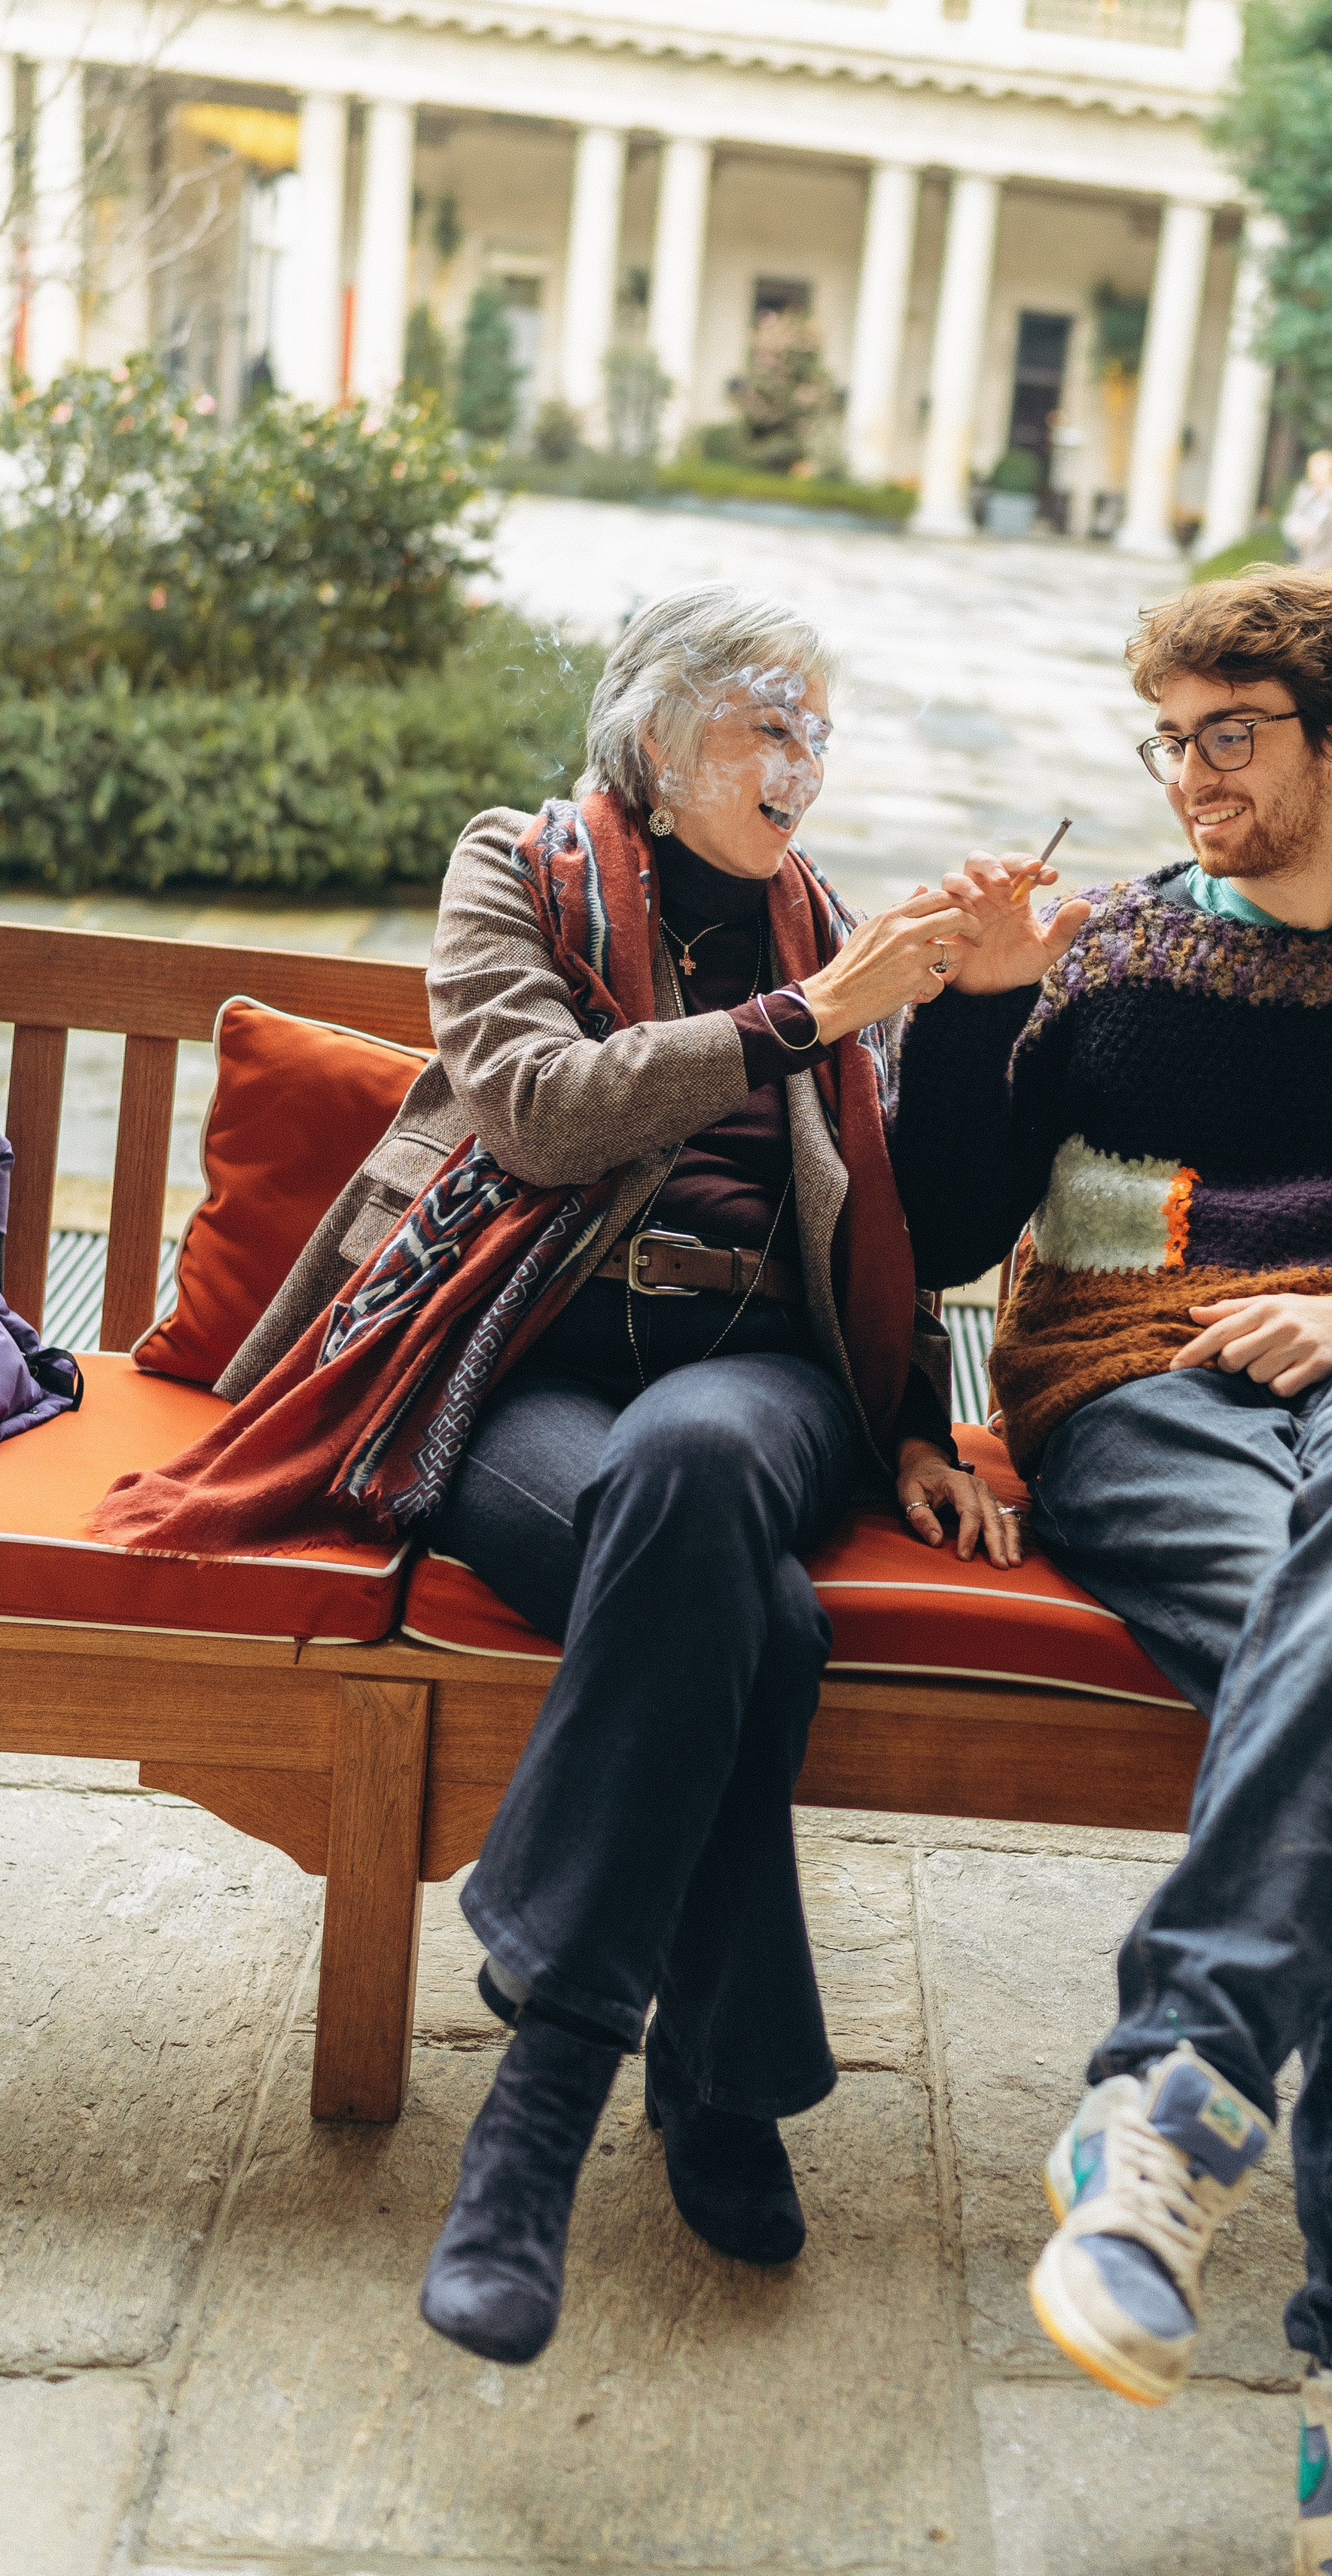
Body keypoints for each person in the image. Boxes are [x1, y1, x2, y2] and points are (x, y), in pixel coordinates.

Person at [95, 583, 1010, 2366]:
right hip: (513, 1362)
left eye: (821, 727)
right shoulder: (518, 868)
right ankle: (718, 2074)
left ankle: (538, 2104)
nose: (804, 761)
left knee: (692, 1476)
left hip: (761, 1375)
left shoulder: (830, 925)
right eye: (770, 721)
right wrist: (796, 1020)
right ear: (658, 739)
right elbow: (530, 1103)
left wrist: (967, 1013)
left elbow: (919, 1219)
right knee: (734, 1605)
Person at [892, 566, 1332, 2573]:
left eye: (1235, 736)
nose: (1194, 776)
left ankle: (1178, 2100)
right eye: (1174, 740)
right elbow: (943, 1220)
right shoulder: (1110, 948)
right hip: (1135, 1392)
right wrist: (964, 1008)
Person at [1283, 450, 1332, 572]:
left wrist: (1329, 566)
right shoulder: (1305, 492)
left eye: (1320, 468)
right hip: (1300, 559)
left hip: (1324, 563)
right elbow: (1293, 518)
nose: (1315, 472)